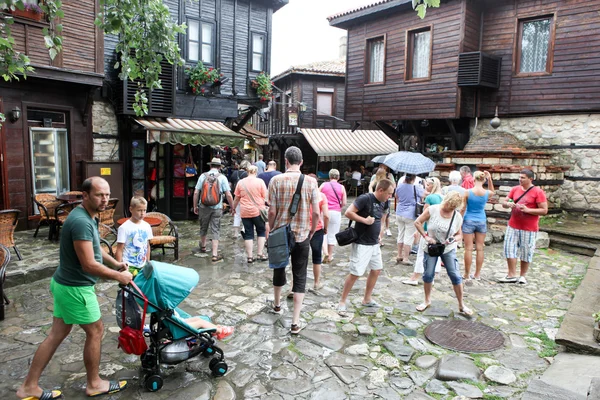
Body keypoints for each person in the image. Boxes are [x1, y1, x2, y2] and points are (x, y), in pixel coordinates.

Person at [17, 177, 132, 400]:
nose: (105, 199)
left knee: (56, 334)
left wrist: (116, 263)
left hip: (64, 284)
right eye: (99, 195)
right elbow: (88, 264)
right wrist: (120, 276)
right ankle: (94, 383)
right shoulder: (80, 221)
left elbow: (96, 247)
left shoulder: (88, 217)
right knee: (96, 330)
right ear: (85, 195)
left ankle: (29, 386)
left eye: (107, 194)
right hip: (75, 288)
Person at [267, 146, 320, 334]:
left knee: (279, 267)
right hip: (302, 235)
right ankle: (295, 322)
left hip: (280, 233)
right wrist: (312, 230)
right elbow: (316, 212)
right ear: (302, 162)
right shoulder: (311, 183)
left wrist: (271, 228)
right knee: (300, 275)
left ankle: (277, 304)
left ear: (285, 161)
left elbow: (272, 211)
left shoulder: (275, 180)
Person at [337, 179, 395, 314]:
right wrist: (365, 220)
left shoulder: (383, 201)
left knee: (376, 269)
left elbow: (381, 218)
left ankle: (367, 299)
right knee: (355, 273)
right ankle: (342, 301)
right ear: (380, 190)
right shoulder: (365, 198)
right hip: (362, 242)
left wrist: (380, 233)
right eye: (389, 193)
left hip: (374, 242)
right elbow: (348, 212)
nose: (390, 196)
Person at [414, 191, 472, 316]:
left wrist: (454, 239)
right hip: (431, 247)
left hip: (448, 248)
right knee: (428, 274)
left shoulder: (457, 216)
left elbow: (459, 235)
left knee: (455, 275)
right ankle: (427, 300)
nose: (448, 208)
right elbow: (417, 222)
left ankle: (461, 304)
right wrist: (426, 237)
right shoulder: (433, 210)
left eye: (451, 207)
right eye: (447, 205)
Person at [499, 169, 548, 285]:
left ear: (530, 179)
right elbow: (504, 202)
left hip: (529, 227)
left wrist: (528, 210)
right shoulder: (515, 189)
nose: (520, 179)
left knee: (526, 251)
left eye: (523, 178)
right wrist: (508, 204)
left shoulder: (538, 192)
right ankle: (511, 274)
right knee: (509, 249)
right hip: (513, 225)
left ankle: (522, 275)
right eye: (519, 177)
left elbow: (544, 210)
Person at [403, 177, 443, 285]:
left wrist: (419, 229)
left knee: (421, 252)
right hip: (439, 228)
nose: (426, 186)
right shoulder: (443, 197)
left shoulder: (430, 198)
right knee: (436, 251)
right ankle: (433, 274)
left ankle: (415, 277)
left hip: (428, 227)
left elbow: (425, 215)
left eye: (428, 185)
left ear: (432, 186)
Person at [193, 157, 234, 262]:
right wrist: (232, 207)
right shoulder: (222, 178)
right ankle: (215, 254)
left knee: (203, 226)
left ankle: (203, 246)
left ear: (210, 166)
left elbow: (196, 192)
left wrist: (195, 206)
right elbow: (228, 194)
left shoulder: (203, 176)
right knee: (215, 229)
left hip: (203, 206)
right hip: (217, 207)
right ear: (219, 167)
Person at [462, 170, 494, 280]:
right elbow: (492, 191)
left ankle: (466, 274)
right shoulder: (486, 193)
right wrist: (489, 179)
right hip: (481, 220)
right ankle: (477, 274)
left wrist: (459, 221)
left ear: (473, 179)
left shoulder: (467, 192)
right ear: (483, 179)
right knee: (480, 248)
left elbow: (463, 208)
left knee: (468, 248)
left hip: (468, 219)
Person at [232, 165, 268, 263]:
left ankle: (250, 257)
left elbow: (236, 198)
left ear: (247, 172)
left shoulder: (240, 182)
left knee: (248, 233)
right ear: (256, 172)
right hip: (258, 211)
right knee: (261, 231)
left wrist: (233, 208)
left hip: (245, 212)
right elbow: (265, 197)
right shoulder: (260, 182)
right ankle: (260, 253)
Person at [115, 196, 153, 269]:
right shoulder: (124, 228)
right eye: (139, 210)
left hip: (143, 265)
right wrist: (119, 267)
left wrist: (148, 262)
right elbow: (119, 249)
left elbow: (147, 246)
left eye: (144, 210)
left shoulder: (147, 226)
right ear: (131, 209)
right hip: (128, 266)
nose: (142, 213)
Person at [394, 174, 425, 265]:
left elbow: (396, 196)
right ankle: (406, 258)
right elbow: (424, 195)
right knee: (409, 236)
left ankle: (399, 255)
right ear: (414, 179)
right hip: (410, 213)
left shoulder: (399, 186)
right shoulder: (416, 188)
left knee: (400, 234)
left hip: (399, 212)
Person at [319, 168, 347, 263]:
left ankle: (324, 252)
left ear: (329, 176)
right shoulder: (342, 187)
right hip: (336, 212)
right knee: (332, 234)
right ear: (338, 177)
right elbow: (344, 202)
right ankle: (330, 255)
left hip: (324, 211)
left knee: (323, 232)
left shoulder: (323, 185)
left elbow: (317, 197)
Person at [309, 181, 329, 291]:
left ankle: (294, 287)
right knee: (317, 257)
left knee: (298, 258)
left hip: (302, 229)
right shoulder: (321, 196)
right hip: (317, 229)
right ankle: (316, 282)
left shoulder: (301, 194)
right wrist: (325, 228)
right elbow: (326, 215)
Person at [229, 162, 248, 239]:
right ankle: (244, 229)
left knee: (237, 214)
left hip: (236, 195)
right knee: (246, 214)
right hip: (245, 197)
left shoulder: (234, 173)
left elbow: (230, 184)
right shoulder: (247, 174)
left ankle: (236, 233)